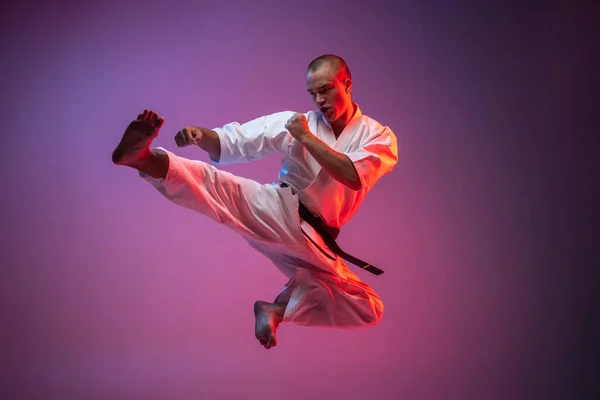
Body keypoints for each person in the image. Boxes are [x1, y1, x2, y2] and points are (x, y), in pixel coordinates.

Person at [111, 54, 398, 349]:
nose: (319, 100)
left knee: (367, 307)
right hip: (279, 209)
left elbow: (351, 175)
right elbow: (238, 140)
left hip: (317, 242)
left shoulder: (379, 137)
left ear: (346, 85)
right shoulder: (297, 122)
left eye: (325, 89)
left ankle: (277, 310)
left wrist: (307, 138)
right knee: (216, 187)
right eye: (313, 93)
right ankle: (142, 158)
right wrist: (201, 136)